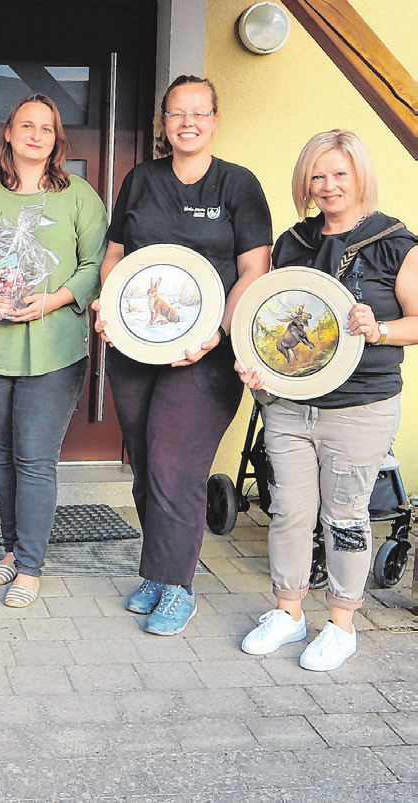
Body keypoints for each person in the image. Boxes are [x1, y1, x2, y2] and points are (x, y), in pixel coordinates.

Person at [92, 75, 272, 635]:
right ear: (162, 123)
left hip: (208, 354)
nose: (187, 123)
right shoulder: (141, 180)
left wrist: (216, 333)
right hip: (136, 349)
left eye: (198, 113)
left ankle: (178, 585)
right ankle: (158, 567)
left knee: (176, 466)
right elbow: (116, 255)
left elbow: (254, 270)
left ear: (215, 119)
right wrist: (109, 309)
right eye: (176, 114)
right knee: (146, 466)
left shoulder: (238, 185)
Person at [238, 130, 418, 671]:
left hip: (361, 406)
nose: (329, 185)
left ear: (360, 175)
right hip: (291, 404)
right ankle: (288, 613)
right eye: (318, 175)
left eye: (340, 173)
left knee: (344, 515)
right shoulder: (293, 243)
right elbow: (271, 315)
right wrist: (258, 362)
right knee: (290, 512)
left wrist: (380, 329)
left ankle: (341, 623)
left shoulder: (397, 244)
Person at [0, 94, 106, 607]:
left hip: (54, 351)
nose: (36, 134)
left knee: (35, 459)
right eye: (26, 126)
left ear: (57, 139)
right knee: (2, 454)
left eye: (47, 128)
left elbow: (96, 265)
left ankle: (31, 567)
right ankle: (13, 551)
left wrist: (51, 301)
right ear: (9, 135)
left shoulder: (79, 196)